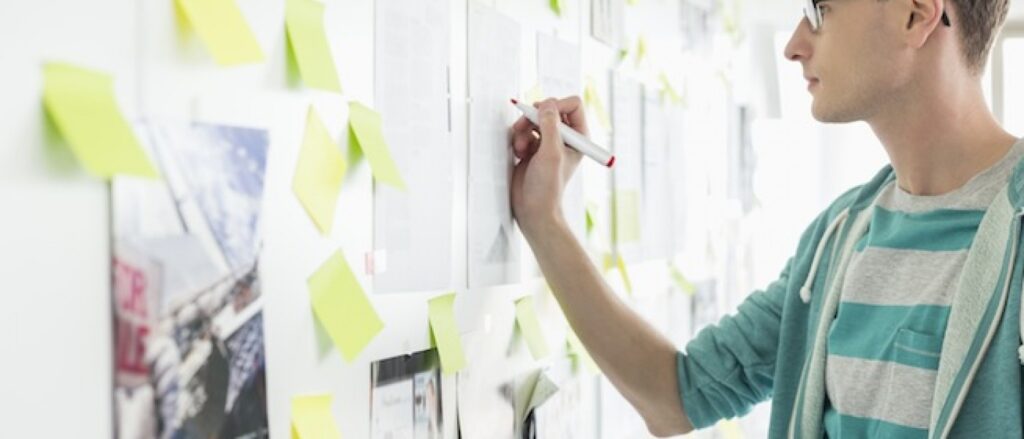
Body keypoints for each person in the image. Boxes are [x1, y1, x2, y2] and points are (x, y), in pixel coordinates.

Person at [508, 0, 1019, 437]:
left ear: (916, 14)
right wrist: (543, 219)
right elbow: (675, 394)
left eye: (820, 10)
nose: (794, 45)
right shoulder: (836, 240)